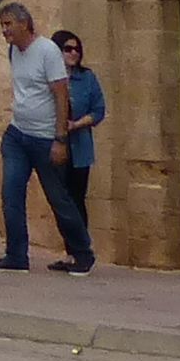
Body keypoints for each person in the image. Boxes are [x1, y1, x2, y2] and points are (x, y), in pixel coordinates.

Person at [0, 2, 99, 273]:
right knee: (11, 194)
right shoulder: (14, 50)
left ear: (24, 24)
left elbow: (61, 94)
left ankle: (82, 253)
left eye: (8, 24)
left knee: (58, 198)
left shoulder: (48, 51)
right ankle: (16, 255)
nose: (5, 31)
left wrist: (60, 139)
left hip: (45, 138)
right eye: (2, 25)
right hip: (18, 135)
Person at [51, 29, 106, 263]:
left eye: (77, 49)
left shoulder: (87, 78)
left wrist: (76, 124)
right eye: (68, 49)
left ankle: (80, 251)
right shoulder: (51, 78)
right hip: (54, 145)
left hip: (79, 147)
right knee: (60, 200)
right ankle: (70, 250)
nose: (74, 53)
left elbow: (98, 110)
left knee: (76, 198)